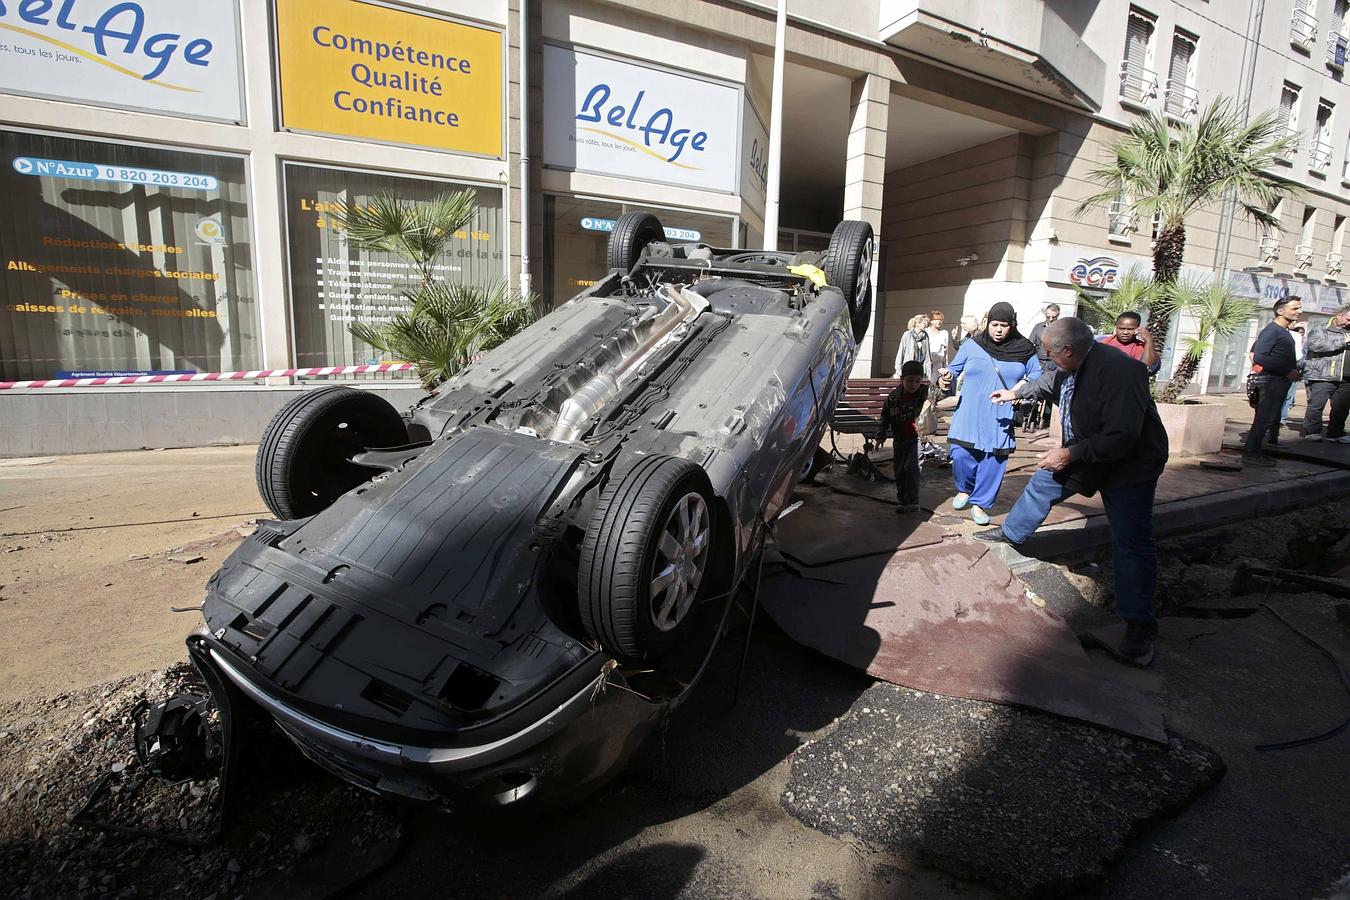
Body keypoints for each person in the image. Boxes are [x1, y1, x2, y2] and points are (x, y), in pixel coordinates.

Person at [977, 317, 1169, 667]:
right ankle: (1011, 533)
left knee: (1131, 542)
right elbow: (1049, 382)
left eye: (1049, 351)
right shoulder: (1071, 366)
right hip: (1088, 452)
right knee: (1042, 483)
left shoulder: (1121, 373)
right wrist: (1015, 394)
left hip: (1131, 466)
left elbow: (1122, 436)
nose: (1046, 357)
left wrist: (1068, 454)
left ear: (1067, 350)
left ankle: (1139, 629)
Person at [939, 302, 1042, 525]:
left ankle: (980, 504)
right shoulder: (972, 344)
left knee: (993, 461)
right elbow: (954, 368)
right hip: (969, 412)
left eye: (1004, 325)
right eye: (994, 324)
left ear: (1011, 325)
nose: (998, 329)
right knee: (960, 455)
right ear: (987, 323)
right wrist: (946, 375)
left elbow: (1037, 374)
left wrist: (1018, 388)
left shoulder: (1024, 348)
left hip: (1001, 414)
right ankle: (965, 489)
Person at [1244, 297, 1303, 467]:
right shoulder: (1272, 331)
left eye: (1299, 308)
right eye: (1294, 308)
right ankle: (1251, 453)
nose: (1298, 312)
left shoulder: (1284, 331)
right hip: (1270, 381)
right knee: (1264, 418)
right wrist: (1287, 371)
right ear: (1280, 311)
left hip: (1279, 380)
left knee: (1269, 418)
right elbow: (1260, 357)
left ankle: (1256, 451)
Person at [877, 360, 928, 513]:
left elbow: (941, 392)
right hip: (900, 438)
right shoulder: (894, 397)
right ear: (902, 380)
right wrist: (880, 436)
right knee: (899, 470)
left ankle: (913, 502)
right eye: (909, 381)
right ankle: (903, 501)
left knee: (912, 468)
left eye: (917, 381)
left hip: (917, 438)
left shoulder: (925, 393)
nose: (913, 385)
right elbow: (884, 417)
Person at [1301, 308, 1350, 442]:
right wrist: (1343, 341)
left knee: (1341, 408)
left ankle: (1335, 433)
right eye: (1347, 319)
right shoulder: (1322, 328)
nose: (1348, 323)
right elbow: (1314, 345)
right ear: (1339, 315)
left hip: (1346, 377)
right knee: (1317, 405)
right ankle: (1312, 431)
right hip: (1323, 374)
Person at [1027, 304, 1061, 428]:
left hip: (1055, 363)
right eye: (1048, 317)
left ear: (1058, 316)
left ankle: (1047, 419)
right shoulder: (1038, 328)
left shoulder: (1061, 329)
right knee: (1036, 389)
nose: (1051, 319)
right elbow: (1030, 344)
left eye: (1054, 317)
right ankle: (1032, 416)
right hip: (1040, 362)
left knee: (1051, 390)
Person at [896, 314, 931, 379]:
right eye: (924, 323)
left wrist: (928, 371)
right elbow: (901, 351)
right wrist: (898, 369)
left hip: (921, 368)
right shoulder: (907, 334)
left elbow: (927, 355)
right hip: (909, 368)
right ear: (918, 323)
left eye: (927, 324)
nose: (926, 325)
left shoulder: (925, 336)